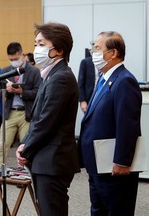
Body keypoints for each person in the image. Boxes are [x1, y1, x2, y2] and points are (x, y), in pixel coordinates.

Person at [16, 22, 80, 216]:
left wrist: (25, 148)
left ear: (59, 50)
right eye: (36, 44)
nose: (36, 49)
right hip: (46, 159)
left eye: (42, 44)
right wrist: (25, 143)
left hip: (53, 161)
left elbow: (46, 122)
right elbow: (38, 119)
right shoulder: (50, 75)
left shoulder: (61, 77)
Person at [79, 31, 142, 216]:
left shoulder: (124, 81)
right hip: (98, 163)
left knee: (116, 210)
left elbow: (127, 126)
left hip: (113, 166)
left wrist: (122, 161)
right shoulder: (104, 79)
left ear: (113, 53)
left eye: (97, 48)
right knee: (99, 209)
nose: (93, 53)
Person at [0, 42, 41, 189]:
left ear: (23, 55)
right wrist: (6, 89)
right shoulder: (5, 71)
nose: (13, 61)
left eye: (16, 58)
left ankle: (24, 176)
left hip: (26, 114)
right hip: (10, 113)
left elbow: (38, 93)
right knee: (2, 145)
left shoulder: (34, 72)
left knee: (26, 148)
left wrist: (21, 92)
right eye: (11, 59)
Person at [78, 47, 99, 113]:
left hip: (101, 97)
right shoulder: (85, 62)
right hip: (89, 98)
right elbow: (80, 83)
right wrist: (82, 100)